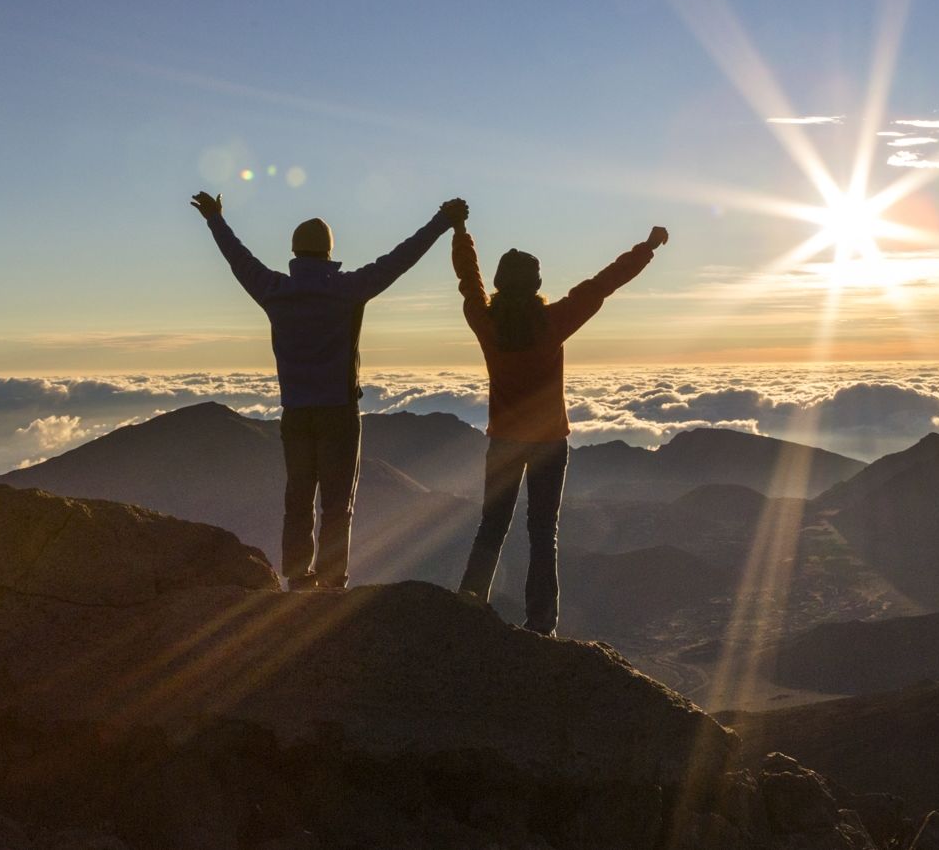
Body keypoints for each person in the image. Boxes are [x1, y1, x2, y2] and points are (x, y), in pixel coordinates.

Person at [190, 189, 468, 590]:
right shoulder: (348, 290)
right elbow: (401, 258)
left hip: (296, 414)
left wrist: (215, 218)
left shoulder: (274, 290)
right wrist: (442, 221)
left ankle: (298, 579)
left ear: (294, 252)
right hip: (339, 412)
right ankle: (333, 578)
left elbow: (239, 259)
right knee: (338, 505)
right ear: (328, 252)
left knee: (298, 499)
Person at [453, 216, 668, 635]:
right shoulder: (553, 323)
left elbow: (468, 279)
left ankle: (468, 604)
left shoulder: (485, 321)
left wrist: (461, 233)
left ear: (500, 283)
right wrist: (647, 248)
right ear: (536, 285)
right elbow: (603, 283)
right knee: (542, 532)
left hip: (503, 441)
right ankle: (542, 623)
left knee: (491, 527)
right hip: (550, 442)